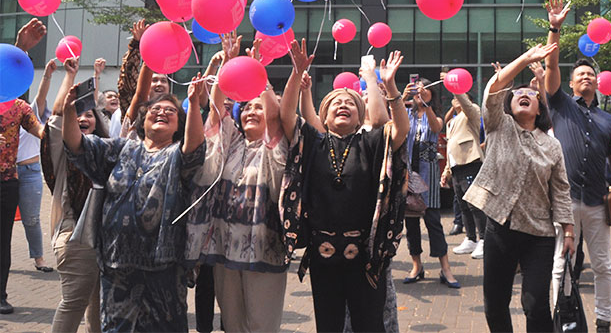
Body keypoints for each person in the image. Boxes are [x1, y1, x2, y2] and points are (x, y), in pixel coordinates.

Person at [278, 40, 409, 332]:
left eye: (351, 103)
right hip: (322, 255)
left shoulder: (370, 143)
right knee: (329, 325)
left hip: (365, 255)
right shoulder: (313, 143)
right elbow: (287, 117)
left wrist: (387, 86)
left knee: (369, 325)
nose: (343, 104)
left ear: (359, 115)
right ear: (322, 118)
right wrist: (297, 73)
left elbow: (396, 129)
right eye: (335, 102)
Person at [62, 72, 208, 331]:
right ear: (143, 118)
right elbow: (77, 147)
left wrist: (194, 104)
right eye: (156, 108)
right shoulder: (120, 149)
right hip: (116, 265)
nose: (162, 112)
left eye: (170, 111)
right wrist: (68, 112)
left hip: (163, 269)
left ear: (179, 125)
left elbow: (194, 148)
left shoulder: (177, 156)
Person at [464, 43, 574, 332]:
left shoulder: (552, 145)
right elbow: (493, 90)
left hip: (539, 234)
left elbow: (561, 190)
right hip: (499, 228)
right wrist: (525, 59)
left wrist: (569, 230)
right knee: (495, 303)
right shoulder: (499, 125)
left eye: (531, 94)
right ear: (509, 106)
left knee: (535, 303)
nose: (524, 95)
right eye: (518, 94)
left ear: (539, 109)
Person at [184, 34, 289, 332]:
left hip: (264, 250)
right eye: (246, 108)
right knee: (232, 324)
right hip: (224, 252)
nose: (251, 111)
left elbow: (275, 118)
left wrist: (258, 73)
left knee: (260, 325)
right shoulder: (231, 146)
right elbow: (215, 117)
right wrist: (227, 67)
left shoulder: (275, 149)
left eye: (258, 107)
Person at [544, 0, 611, 332]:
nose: (586, 77)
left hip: (596, 199)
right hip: (564, 200)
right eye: (580, 74)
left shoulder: (609, 118)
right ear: (572, 82)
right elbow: (551, 69)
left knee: (604, 266)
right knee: (560, 263)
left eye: (591, 73)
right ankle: (560, 317)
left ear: (597, 81)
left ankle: (603, 322)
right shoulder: (561, 105)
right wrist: (554, 28)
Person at [40, 56, 108, 332]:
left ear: (97, 121)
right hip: (76, 236)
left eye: (88, 113)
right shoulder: (62, 153)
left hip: (106, 239)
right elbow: (57, 118)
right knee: (74, 304)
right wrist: (70, 76)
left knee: (100, 307)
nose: (82, 117)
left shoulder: (107, 151)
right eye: (76, 113)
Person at [1, 18, 48, 315]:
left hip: (7, 182)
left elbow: (42, 133)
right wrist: (18, 47)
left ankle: (0, 295)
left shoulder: (20, 108)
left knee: (2, 241)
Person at [401, 78, 460, 287]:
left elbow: (435, 127)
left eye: (424, 90)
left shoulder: (433, 116)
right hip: (408, 173)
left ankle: (445, 268)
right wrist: (402, 97)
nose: (420, 93)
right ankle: (416, 265)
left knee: (433, 220)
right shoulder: (406, 112)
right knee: (410, 222)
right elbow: (393, 122)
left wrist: (425, 105)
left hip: (428, 173)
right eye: (418, 90)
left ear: (431, 94)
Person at [16, 58, 57, 274]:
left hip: (30, 172)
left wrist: (47, 75)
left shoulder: (28, 113)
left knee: (31, 218)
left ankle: (39, 259)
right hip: (7, 173)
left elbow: (41, 98)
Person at [440, 75, 487, 260]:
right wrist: (446, 172)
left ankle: (484, 239)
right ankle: (470, 238)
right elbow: (452, 146)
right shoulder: (453, 121)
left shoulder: (472, 111)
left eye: (459, 96)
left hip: (471, 163)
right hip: (456, 166)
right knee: (462, 204)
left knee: (474, 203)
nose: (455, 99)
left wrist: (455, 87)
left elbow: (466, 105)